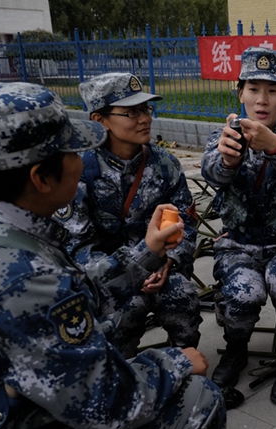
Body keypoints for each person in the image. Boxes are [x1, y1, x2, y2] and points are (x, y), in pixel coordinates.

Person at [0, 82, 225, 429]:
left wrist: (150, 255)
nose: (77, 160)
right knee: (199, 397)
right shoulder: (29, 279)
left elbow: (80, 285)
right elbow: (108, 402)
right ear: (41, 177)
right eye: (70, 153)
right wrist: (176, 361)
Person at [53, 72, 202, 358]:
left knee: (181, 296)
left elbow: (186, 223)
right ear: (100, 121)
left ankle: (186, 364)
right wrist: (131, 270)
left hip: (161, 268)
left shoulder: (165, 164)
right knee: (123, 315)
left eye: (145, 108)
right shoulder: (79, 172)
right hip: (107, 275)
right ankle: (127, 376)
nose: (144, 118)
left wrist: (170, 262)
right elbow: (78, 249)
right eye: (131, 112)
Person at [201, 46, 276, 406]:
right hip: (238, 244)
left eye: (272, 90)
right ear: (240, 93)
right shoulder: (223, 139)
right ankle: (235, 350)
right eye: (253, 89)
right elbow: (212, 173)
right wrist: (228, 159)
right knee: (245, 291)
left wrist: (275, 147)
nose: (261, 99)